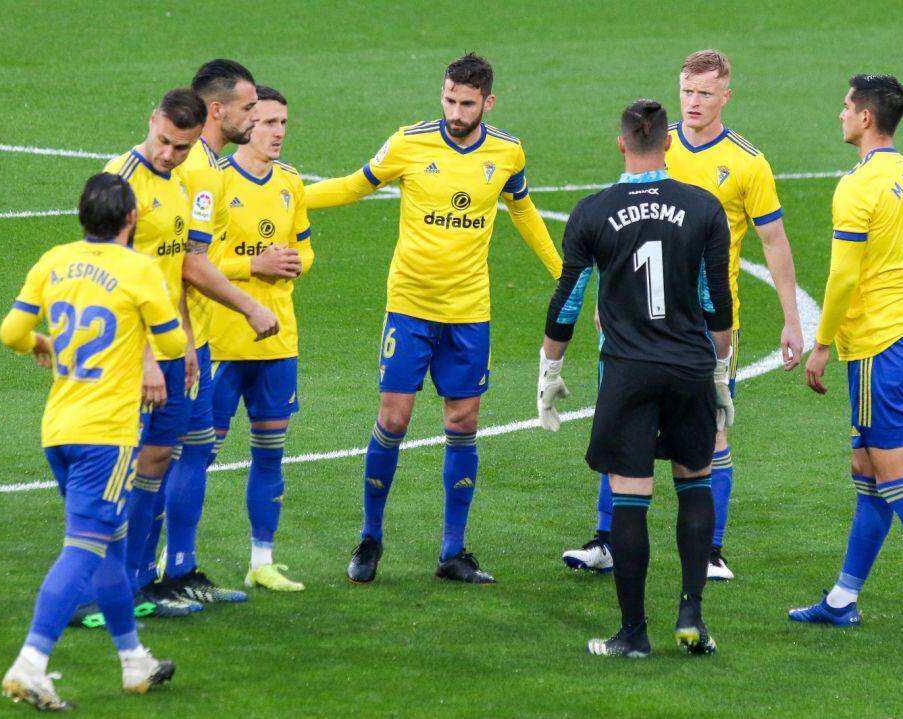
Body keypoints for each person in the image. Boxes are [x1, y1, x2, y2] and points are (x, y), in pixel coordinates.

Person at [306, 52, 562, 584]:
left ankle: (452, 551)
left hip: (469, 313)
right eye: (449, 100)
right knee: (394, 419)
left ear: (488, 103)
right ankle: (370, 538)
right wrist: (286, 198)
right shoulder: (409, 142)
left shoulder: (507, 151)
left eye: (467, 103)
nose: (455, 112)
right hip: (410, 307)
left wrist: (564, 273)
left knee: (463, 422)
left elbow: (523, 210)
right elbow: (354, 185)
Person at [563, 49, 802, 581]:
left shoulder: (747, 162)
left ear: (726, 97)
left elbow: (774, 241)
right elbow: (619, 228)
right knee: (621, 424)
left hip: (707, 325)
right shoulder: (658, 145)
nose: (693, 102)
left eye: (705, 94)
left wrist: (792, 319)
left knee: (713, 432)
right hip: (640, 320)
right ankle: (606, 539)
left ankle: (711, 551)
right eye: (687, 92)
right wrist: (605, 301)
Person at [539, 99, 733, 658]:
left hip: (627, 372)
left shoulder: (593, 211)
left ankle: (633, 634)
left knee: (630, 496)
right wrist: (720, 371)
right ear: (668, 142)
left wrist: (551, 369)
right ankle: (691, 613)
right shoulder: (703, 206)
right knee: (695, 482)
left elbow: (568, 299)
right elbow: (716, 301)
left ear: (621, 143)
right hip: (689, 367)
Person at [789, 74, 903, 633]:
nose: (841, 114)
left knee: (897, 480)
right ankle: (842, 600)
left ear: (866, 117)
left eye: (846, 106)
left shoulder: (858, 184)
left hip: (879, 348)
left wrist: (822, 345)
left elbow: (844, 276)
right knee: (868, 472)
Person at [0, 173, 184, 709]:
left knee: (110, 544)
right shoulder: (139, 269)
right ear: (132, 220)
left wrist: (42, 342)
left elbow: (11, 333)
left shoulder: (53, 261)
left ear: (82, 216)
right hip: (107, 437)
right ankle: (30, 664)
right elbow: (173, 342)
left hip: (59, 428)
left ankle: (134, 661)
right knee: (82, 548)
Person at [102, 88, 277, 618]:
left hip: (173, 348)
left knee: (162, 458)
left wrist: (185, 341)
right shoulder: (121, 181)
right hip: (130, 352)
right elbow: (114, 279)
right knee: (121, 469)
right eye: (164, 141)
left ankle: (150, 580)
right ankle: (110, 588)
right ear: (151, 120)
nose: (168, 154)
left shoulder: (181, 183)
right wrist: (147, 358)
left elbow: (174, 269)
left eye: (181, 147)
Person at [154, 59, 265, 605]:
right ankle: (146, 577)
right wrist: (249, 306)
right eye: (249, 107)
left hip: (186, 332)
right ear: (217, 109)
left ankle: (180, 568)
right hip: (165, 336)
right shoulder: (198, 170)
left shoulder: (208, 165)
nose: (256, 116)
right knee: (162, 455)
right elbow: (189, 264)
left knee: (193, 448)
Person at [209, 85, 313, 591]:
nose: (278, 133)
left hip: (278, 343)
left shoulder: (290, 182)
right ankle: (170, 559)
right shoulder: (217, 180)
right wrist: (255, 264)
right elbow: (199, 260)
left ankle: (261, 561)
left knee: (270, 453)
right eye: (269, 122)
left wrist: (293, 262)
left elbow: (305, 248)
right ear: (247, 123)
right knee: (197, 457)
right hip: (222, 342)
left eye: (283, 124)